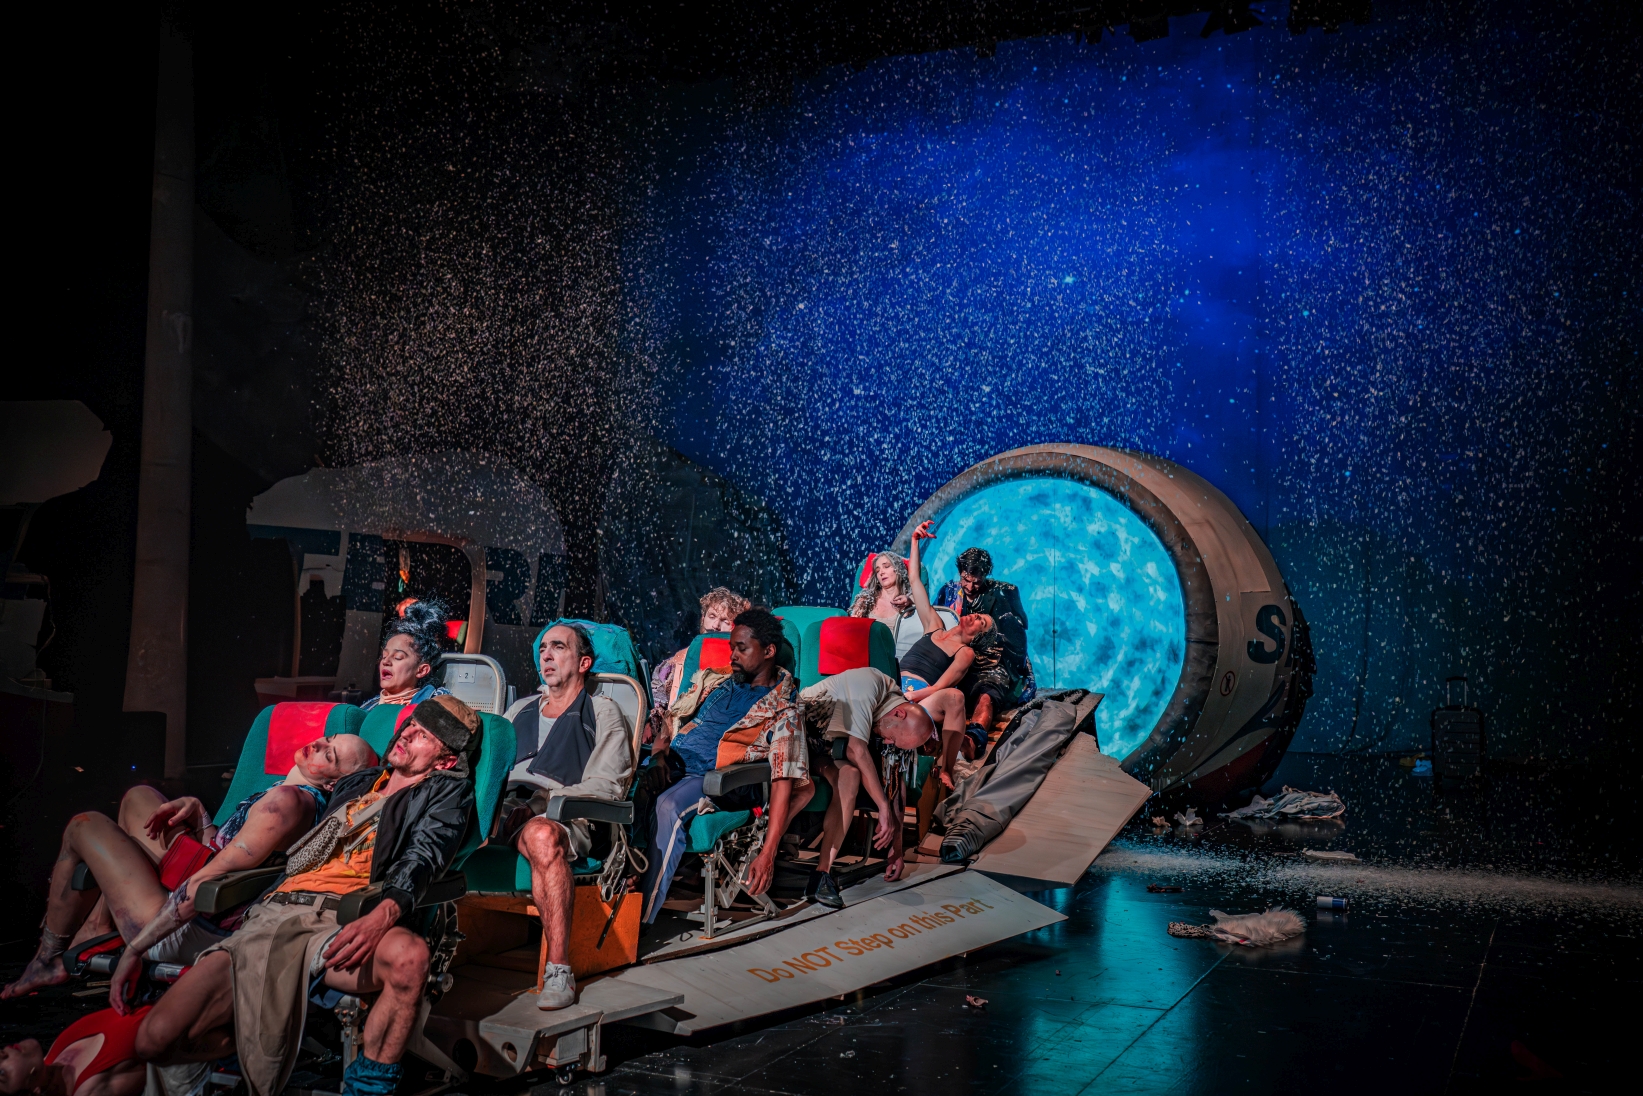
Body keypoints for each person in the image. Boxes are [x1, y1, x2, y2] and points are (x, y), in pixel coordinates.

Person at [132, 695, 482, 1096]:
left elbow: (426, 853)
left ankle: (368, 1087)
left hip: (340, 919)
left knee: (411, 957)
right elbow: (290, 806)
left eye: (423, 736)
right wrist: (203, 817)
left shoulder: (445, 794)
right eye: (410, 726)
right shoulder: (357, 782)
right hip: (274, 913)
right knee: (154, 1040)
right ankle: (245, 1049)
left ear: (445, 761)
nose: (406, 734)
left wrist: (384, 913)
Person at [1, 735, 379, 1000]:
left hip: (191, 926)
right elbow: (224, 852)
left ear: (333, 783)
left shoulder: (286, 803)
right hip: (197, 898)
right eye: (328, 739)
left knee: (83, 826)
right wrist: (201, 816)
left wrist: (135, 949)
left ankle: (47, 959)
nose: (318, 743)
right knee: (139, 797)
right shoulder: (287, 795)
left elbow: (212, 880)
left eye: (329, 755)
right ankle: (98, 927)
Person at [640, 608, 814, 921]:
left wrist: (768, 853)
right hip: (674, 764)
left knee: (667, 807)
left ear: (769, 651)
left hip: (717, 780)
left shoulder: (785, 710)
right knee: (617, 790)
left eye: (741, 648)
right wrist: (658, 756)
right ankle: (609, 892)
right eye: (732, 647)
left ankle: (640, 917)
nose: (732, 655)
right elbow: (670, 722)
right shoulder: (717, 682)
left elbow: (782, 780)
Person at [499, 623, 633, 1011]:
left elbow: (607, 786)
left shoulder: (602, 712)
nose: (546, 654)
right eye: (543, 648)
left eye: (558, 647)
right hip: (507, 809)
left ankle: (559, 969)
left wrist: (540, 803)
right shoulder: (519, 710)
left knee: (541, 835)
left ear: (584, 662)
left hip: (569, 816)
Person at [800, 666, 940, 888]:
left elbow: (896, 784)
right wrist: (882, 806)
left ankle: (821, 874)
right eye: (892, 738)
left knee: (850, 776)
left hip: (822, 754)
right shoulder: (868, 683)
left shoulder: (896, 715)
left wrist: (896, 849)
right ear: (899, 714)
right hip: (800, 737)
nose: (887, 742)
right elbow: (856, 749)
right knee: (853, 765)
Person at [903, 521, 996, 778]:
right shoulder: (935, 625)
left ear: (977, 637)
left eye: (981, 622)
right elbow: (914, 580)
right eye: (978, 615)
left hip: (920, 696)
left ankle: (946, 769)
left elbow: (938, 688)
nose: (975, 616)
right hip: (894, 684)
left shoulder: (965, 653)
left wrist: (910, 697)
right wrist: (915, 541)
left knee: (955, 697)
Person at [934, 547, 1033, 755]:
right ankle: (931, 737)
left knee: (987, 696)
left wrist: (992, 643)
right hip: (957, 660)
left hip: (992, 664)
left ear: (986, 574)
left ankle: (972, 740)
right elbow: (934, 624)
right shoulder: (949, 592)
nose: (970, 587)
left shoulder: (1004, 592)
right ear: (960, 572)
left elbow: (1019, 633)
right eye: (965, 580)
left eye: (976, 582)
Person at [647, 587, 750, 742]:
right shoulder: (672, 664)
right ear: (703, 619)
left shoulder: (742, 665)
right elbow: (657, 704)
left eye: (725, 621)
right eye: (712, 616)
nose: (715, 625)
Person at [0, 1009, 150, 1096]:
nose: (1, 1054)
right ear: (34, 1092)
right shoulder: (92, 1090)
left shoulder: (51, 1061)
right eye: (1, 1072)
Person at [359, 601, 452, 712]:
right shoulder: (368, 708)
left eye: (397, 657)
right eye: (384, 656)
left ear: (422, 670)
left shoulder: (437, 705)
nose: (385, 661)